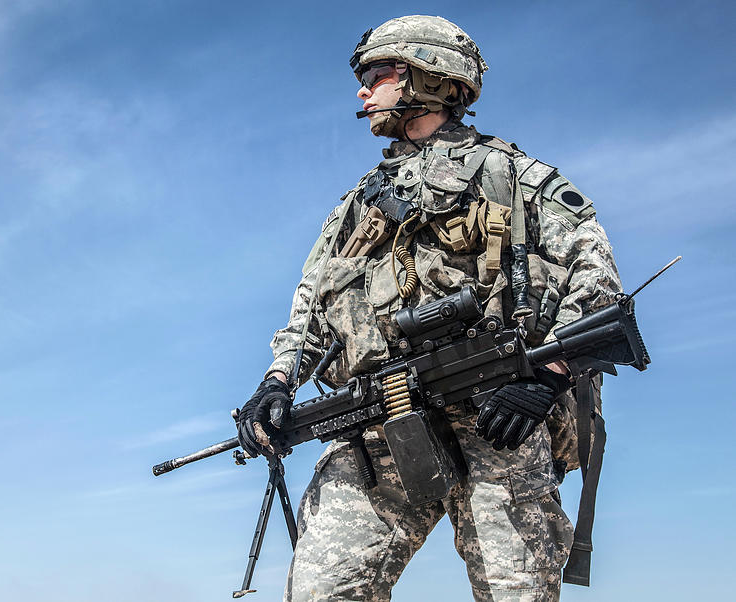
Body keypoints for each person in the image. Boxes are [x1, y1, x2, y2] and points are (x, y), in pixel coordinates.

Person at [235, 15, 622, 602]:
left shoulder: (514, 177)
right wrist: (277, 382)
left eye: (378, 74)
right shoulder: (357, 206)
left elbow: (597, 284)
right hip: (378, 425)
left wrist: (548, 376)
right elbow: (312, 308)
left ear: (431, 78)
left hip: (499, 419)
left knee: (514, 593)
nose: (363, 92)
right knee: (321, 592)